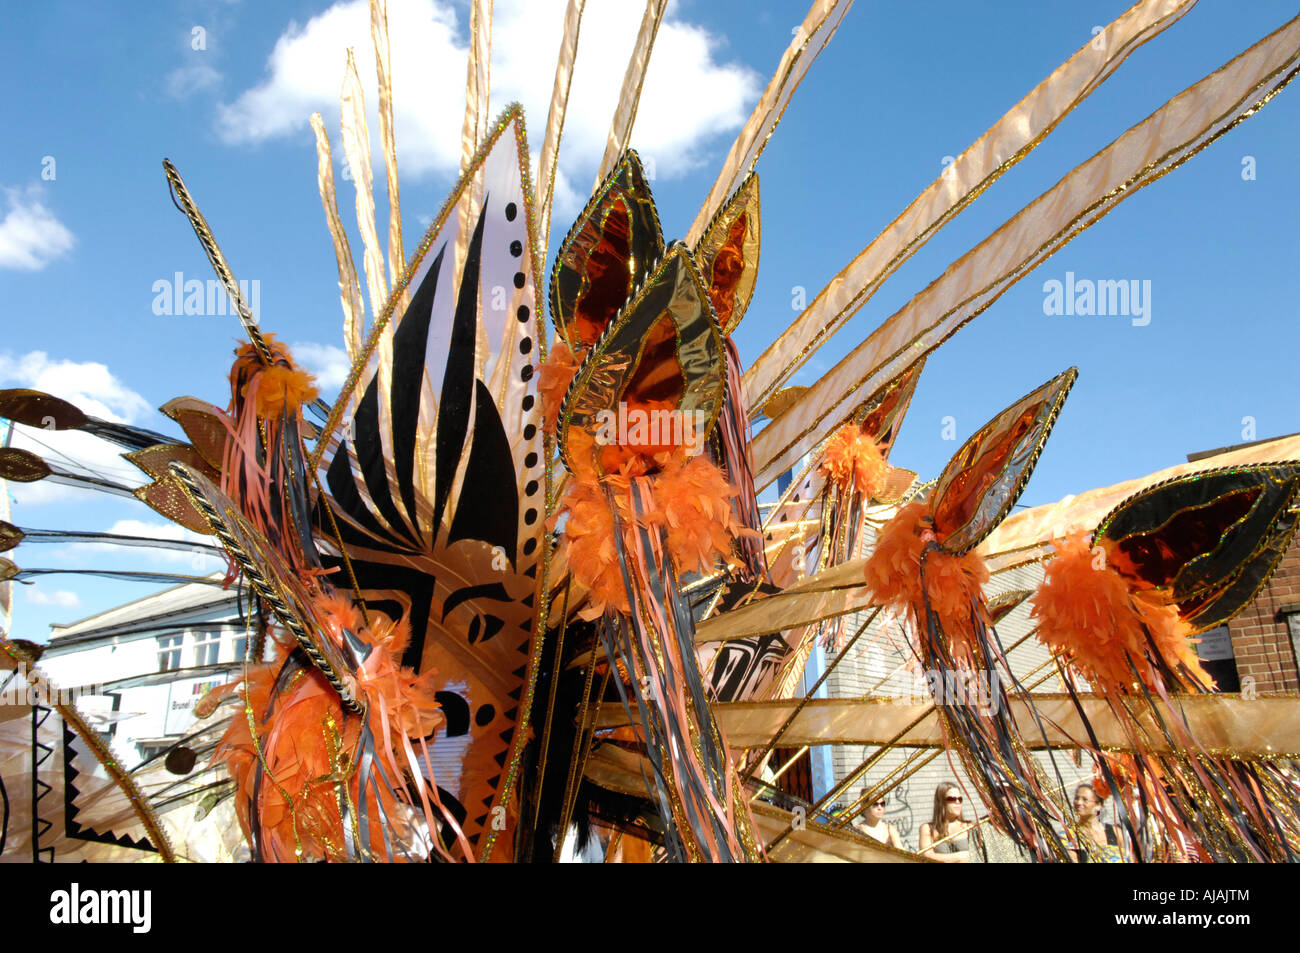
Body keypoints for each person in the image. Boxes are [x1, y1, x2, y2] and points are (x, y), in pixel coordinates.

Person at [1067, 782, 1133, 863]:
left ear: (1099, 805)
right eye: (1077, 798)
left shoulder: (1116, 832)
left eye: (1085, 800)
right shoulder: (1069, 834)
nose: (1079, 803)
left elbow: (1131, 857)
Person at [919, 782, 973, 862]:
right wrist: (960, 857)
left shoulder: (969, 826)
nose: (957, 802)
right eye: (952, 799)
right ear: (941, 802)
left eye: (960, 799)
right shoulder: (928, 828)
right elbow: (927, 856)